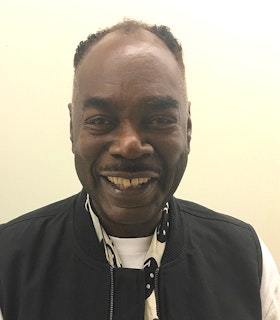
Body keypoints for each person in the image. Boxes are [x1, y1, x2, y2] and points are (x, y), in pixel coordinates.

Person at [0, 19, 279, 320]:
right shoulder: (9, 261)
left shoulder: (246, 258)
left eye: (158, 119)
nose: (129, 145)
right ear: (72, 128)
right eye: (100, 120)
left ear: (187, 128)